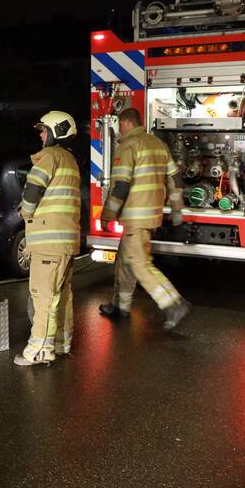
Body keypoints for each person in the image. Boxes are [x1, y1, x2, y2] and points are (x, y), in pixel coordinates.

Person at [98, 108, 193, 330]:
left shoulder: (128, 145)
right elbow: (175, 176)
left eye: (120, 125)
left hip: (134, 217)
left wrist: (107, 215)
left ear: (126, 123)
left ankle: (173, 304)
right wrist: (177, 206)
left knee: (140, 265)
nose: (119, 130)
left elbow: (121, 186)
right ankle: (120, 306)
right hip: (151, 216)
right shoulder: (158, 144)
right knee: (124, 261)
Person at [14, 110, 81, 367]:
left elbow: (32, 190)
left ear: (55, 131)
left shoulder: (49, 157)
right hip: (65, 242)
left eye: (44, 130)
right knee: (62, 295)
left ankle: (39, 349)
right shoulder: (70, 160)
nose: (41, 135)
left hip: (49, 243)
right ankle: (61, 344)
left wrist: (26, 211)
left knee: (43, 296)